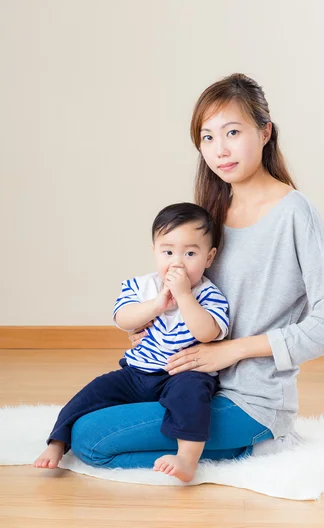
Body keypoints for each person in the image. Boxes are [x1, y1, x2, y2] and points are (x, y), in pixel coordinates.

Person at [70, 72, 324, 473]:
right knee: (79, 417)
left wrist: (232, 349)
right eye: (207, 137)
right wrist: (158, 320)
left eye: (232, 132)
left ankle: (253, 445)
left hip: (249, 400)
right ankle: (209, 445)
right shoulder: (211, 216)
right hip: (187, 386)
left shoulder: (294, 213)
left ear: (265, 132)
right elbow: (198, 297)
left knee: (90, 440)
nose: (220, 149)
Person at [33, 203, 229, 482]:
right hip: (137, 373)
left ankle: (187, 457)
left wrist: (185, 297)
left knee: (193, 395)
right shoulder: (141, 286)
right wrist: (156, 305)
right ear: (154, 251)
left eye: (190, 253)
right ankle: (57, 443)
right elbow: (123, 318)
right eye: (168, 251)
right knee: (95, 391)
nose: (178, 262)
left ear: (209, 258)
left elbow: (207, 333)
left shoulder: (210, 295)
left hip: (183, 373)